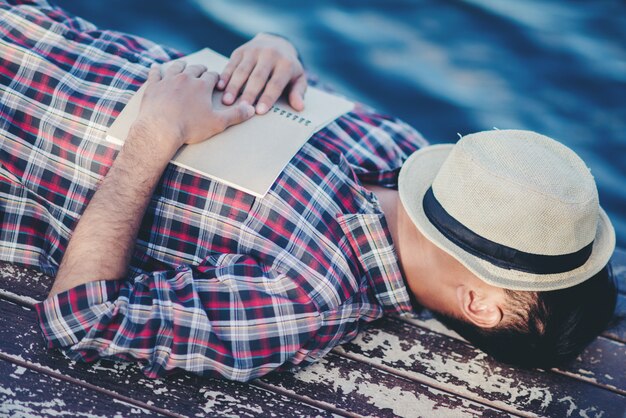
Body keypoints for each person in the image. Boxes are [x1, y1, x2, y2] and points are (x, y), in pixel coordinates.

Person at [0, 0, 616, 382]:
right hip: (37, 28)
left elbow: (83, 319)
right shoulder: (400, 147)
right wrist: (274, 52)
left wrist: (153, 136)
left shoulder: (305, 296)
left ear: (481, 304)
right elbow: (282, 85)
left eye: (507, 209)